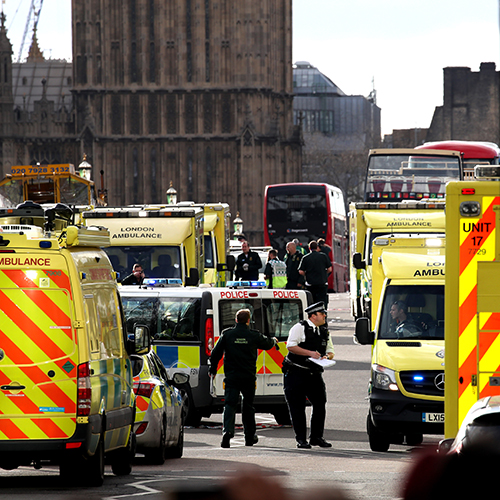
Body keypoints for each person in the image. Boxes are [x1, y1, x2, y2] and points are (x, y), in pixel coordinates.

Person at [209, 309, 277, 448]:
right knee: (248, 406)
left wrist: (213, 369)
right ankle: (249, 437)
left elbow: (215, 353)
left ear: (235, 320)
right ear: (248, 320)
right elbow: (268, 344)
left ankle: (227, 432)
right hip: (248, 377)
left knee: (229, 405)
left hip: (232, 377)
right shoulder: (253, 335)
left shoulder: (227, 335)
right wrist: (274, 340)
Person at [282, 302, 335, 449]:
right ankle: (301, 439)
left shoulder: (324, 330)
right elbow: (290, 346)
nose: (325, 315)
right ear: (313, 316)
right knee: (297, 406)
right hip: (296, 372)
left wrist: (327, 357)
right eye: (322, 313)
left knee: (320, 403)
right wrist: (310, 353)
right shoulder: (299, 328)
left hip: (314, 373)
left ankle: (316, 437)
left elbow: (330, 350)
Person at [298, 241, 332, 305]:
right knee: (322, 301)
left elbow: (301, 271)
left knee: (311, 301)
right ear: (317, 247)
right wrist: (324, 274)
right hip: (322, 282)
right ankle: (322, 313)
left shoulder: (305, 258)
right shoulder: (323, 256)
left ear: (309, 248)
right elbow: (329, 269)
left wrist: (307, 275)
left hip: (310, 283)